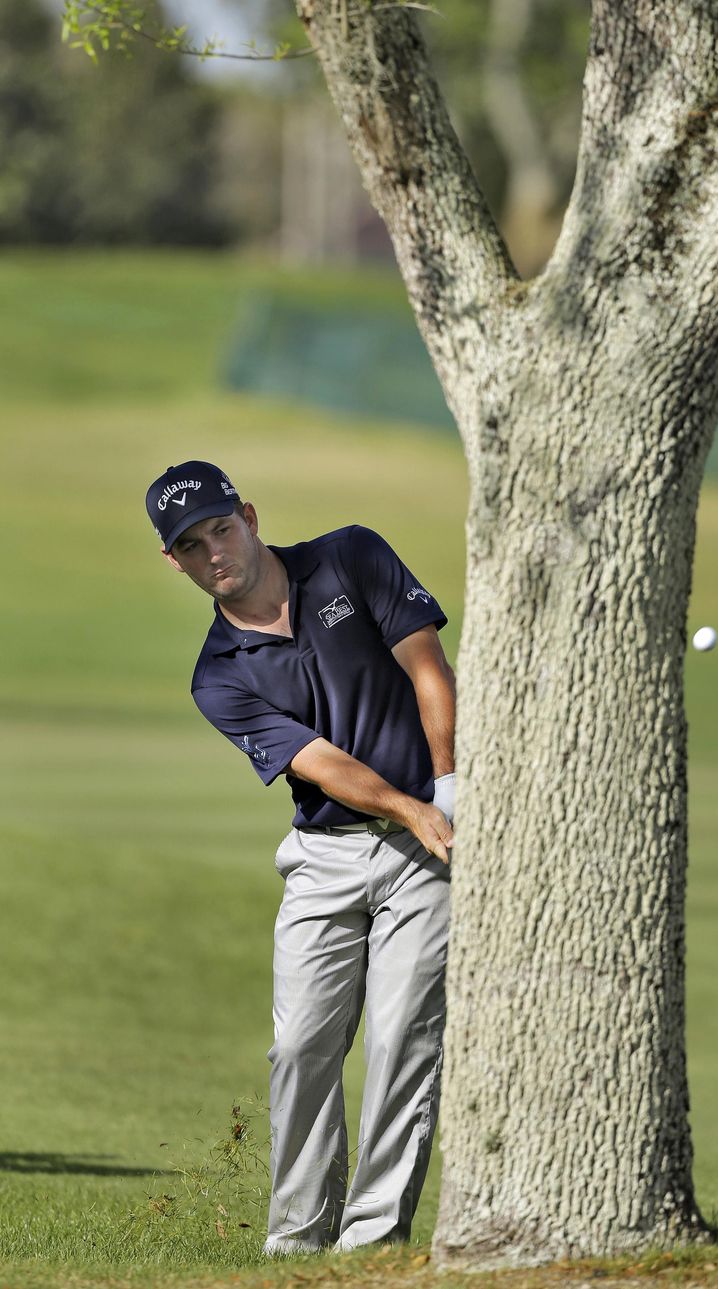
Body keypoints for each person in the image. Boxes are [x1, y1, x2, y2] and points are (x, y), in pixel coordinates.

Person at [145, 461, 456, 1255]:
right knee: (302, 1045)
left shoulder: (351, 555)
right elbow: (322, 765)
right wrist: (413, 807)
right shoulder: (217, 676)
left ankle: (372, 1242)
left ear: (247, 515)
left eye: (220, 527)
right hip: (325, 859)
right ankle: (297, 1242)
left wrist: (450, 787)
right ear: (173, 562)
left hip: (430, 850)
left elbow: (428, 668)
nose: (214, 551)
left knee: (400, 1038)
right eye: (191, 544)